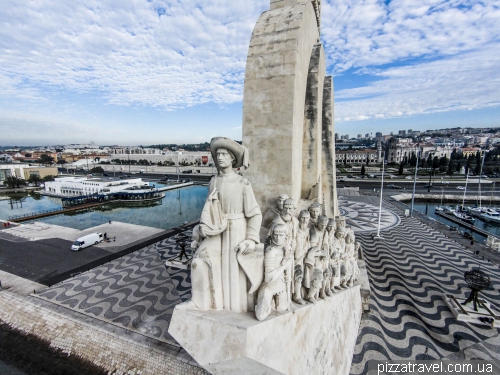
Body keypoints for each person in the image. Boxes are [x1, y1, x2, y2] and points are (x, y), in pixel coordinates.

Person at [187, 137, 263, 313]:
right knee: (199, 261)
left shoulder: (242, 183)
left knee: (232, 272)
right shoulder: (214, 181)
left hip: (236, 229)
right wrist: (200, 230)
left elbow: (254, 213)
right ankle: (201, 301)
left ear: (232, 159)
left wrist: (251, 239)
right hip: (216, 230)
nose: (219, 157)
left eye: (224, 154)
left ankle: (233, 307)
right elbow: (209, 208)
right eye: (218, 154)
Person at [255, 224, 292, 321]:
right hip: (269, 286)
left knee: (281, 308)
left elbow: (288, 272)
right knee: (261, 315)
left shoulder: (287, 249)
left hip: (281, 284)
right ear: (272, 235)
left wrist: (287, 276)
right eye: (276, 234)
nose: (278, 238)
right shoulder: (270, 252)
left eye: (281, 235)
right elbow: (269, 278)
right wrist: (284, 267)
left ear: (285, 236)